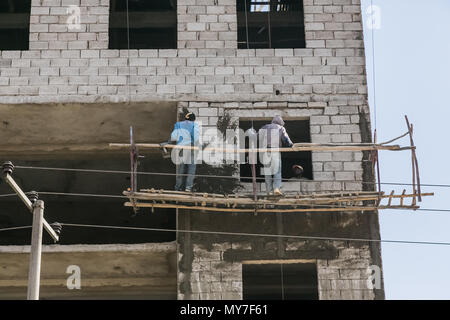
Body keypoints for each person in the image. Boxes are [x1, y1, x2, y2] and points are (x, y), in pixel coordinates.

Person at [258, 115, 294, 196]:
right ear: (280, 122)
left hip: (265, 152)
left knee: (267, 172)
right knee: (277, 170)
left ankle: (269, 191)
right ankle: (276, 189)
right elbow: (286, 138)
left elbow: (258, 136)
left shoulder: (265, 127)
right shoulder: (280, 128)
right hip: (275, 151)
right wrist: (292, 146)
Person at [170, 112, 200, 192]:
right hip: (191, 149)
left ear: (185, 118)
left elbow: (173, 137)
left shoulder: (178, 124)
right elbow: (196, 138)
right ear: (193, 119)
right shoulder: (195, 125)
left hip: (181, 149)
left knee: (181, 170)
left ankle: (178, 188)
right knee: (191, 170)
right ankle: (188, 188)